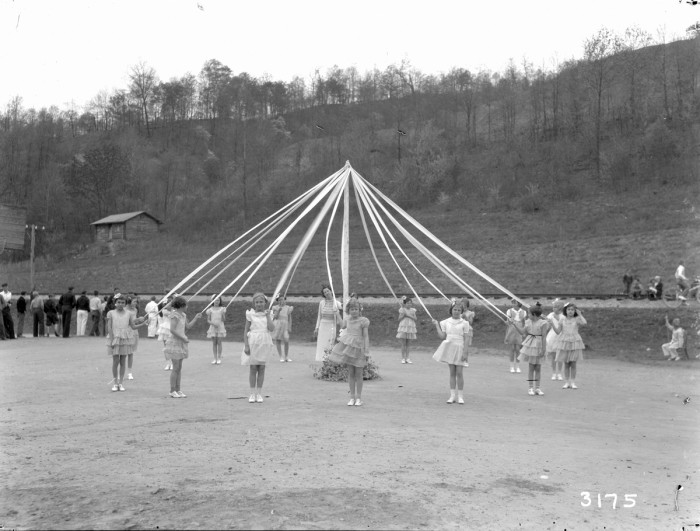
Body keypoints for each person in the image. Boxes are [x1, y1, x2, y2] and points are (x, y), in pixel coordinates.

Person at [328, 298, 370, 406]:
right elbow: (342, 326)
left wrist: (366, 350)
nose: (354, 311)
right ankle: (352, 397)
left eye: (356, 309)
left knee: (359, 374)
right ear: (348, 310)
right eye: (352, 309)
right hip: (349, 348)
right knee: (351, 373)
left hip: (359, 348)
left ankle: (359, 398)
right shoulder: (347, 319)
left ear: (360, 309)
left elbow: (365, 336)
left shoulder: (363, 321)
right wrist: (337, 314)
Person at [431, 299, 471, 404]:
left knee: (459, 372)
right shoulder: (445, 322)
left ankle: (460, 396)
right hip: (450, 348)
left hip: (460, 348)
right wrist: (436, 325)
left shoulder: (465, 323)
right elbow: (442, 336)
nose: (456, 311)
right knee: (452, 372)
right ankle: (452, 395)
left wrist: (465, 351)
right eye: (454, 309)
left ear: (461, 311)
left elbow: (467, 338)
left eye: (458, 310)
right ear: (451, 310)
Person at [164, 296, 201, 398]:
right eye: (186, 305)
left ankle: (178, 389)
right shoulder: (174, 315)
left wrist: (196, 318)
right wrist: (183, 338)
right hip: (174, 342)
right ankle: (172, 390)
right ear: (181, 305)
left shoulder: (183, 315)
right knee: (175, 367)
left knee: (179, 368)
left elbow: (188, 326)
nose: (187, 306)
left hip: (181, 342)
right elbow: (172, 330)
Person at [242, 293, 276, 403]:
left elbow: (271, 328)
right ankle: (252, 393)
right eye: (257, 302)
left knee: (261, 368)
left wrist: (267, 316)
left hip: (264, 342)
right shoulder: (250, 314)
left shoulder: (269, 314)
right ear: (254, 303)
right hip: (253, 341)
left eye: (261, 302)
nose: (259, 304)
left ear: (265, 303)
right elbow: (246, 330)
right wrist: (246, 345)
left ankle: (259, 394)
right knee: (253, 368)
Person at [513, 302, 550, 396]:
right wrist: (514, 324)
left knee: (538, 367)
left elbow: (544, 337)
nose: (527, 315)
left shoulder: (543, 323)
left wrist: (543, 349)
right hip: (530, 345)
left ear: (533, 314)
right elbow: (522, 332)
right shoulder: (528, 322)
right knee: (531, 367)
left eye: (529, 313)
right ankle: (530, 388)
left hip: (539, 345)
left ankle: (537, 388)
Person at [106, 295, 142, 392]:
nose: (120, 304)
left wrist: (143, 323)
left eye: (123, 302)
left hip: (125, 339)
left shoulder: (129, 313)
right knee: (115, 361)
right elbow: (109, 327)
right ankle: (115, 383)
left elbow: (133, 326)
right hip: (115, 338)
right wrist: (112, 339)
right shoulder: (111, 313)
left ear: (125, 303)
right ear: (115, 303)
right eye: (119, 302)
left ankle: (121, 383)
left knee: (122, 361)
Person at [550, 302, 587, 389]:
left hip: (574, 342)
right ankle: (566, 382)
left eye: (572, 310)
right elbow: (558, 332)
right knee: (566, 363)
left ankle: (573, 382)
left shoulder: (577, 319)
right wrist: (552, 324)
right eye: (568, 309)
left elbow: (584, 323)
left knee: (573, 363)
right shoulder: (562, 319)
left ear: (575, 311)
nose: (570, 311)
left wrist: (580, 314)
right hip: (564, 342)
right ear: (565, 311)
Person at [313, 284, 343, 362]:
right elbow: (319, 316)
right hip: (323, 326)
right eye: (325, 292)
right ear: (323, 294)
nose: (326, 293)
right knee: (322, 343)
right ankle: (321, 359)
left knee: (330, 343)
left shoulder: (336, 302)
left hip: (331, 326)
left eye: (327, 291)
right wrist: (317, 328)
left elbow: (343, 307)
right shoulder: (322, 303)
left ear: (331, 291)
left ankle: (329, 359)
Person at [125, 296, 148, 380]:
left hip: (134, 332)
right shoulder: (124, 310)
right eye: (134, 302)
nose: (136, 303)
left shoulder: (135, 310)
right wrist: (138, 319)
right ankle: (122, 371)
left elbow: (134, 322)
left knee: (131, 353)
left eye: (136, 302)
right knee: (123, 353)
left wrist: (140, 320)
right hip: (126, 332)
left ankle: (129, 372)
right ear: (129, 302)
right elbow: (127, 322)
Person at [504, 299, 526, 373]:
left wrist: (524, 332)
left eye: (515, 303)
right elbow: (508, 322)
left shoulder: (523, 312)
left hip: (519, 330)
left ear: (519, 303)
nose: (513, 304)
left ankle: (517, 366)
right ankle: (511, 366)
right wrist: (508, 321)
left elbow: (524, 323)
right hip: (512, 329)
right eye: (512, 303)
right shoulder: (509, 311)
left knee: (518, 349)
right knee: (512, 348)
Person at [545, 299, 565, 380]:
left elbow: (563, 326)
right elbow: (547, 327)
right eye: (553, 307)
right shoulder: (550, 315)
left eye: (555, 307)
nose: (553, 309)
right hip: (552, 336)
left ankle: (559, 373)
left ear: (560, 308)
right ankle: (554, 373)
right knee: (553, 356)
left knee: (559, 356)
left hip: (561, 336)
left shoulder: (563, 316)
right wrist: (547, 322)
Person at [271, 294, 293, 362]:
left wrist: (289, 326)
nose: (281, 301)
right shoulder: (275, 307)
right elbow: (275, 317)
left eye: (283, 299)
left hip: (285, 325)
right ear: (277, 301)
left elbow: (289, 318)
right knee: (278, 340)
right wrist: (278, 311)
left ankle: (286, 356)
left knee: (286, 340)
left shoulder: (288, 308)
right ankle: (281, 356)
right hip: (278, 324)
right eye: (280, 300)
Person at [206, 295, 227, 364]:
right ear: (212, 301)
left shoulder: (222, 309)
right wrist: (213, 324)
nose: (216, 301)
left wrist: (223, 314)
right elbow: (208, 320)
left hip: (220, 327)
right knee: (214, 343)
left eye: (218, 300)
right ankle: (215, 358)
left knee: (219, 342)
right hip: (213, 327)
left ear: (220, 301)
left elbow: (224, 320)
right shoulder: (210, 310)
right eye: (215, 300)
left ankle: (219, 358)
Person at [396, 295, 417, 364]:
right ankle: (403, 358)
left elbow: (415, 319)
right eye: (408, 303)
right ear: (404, 304)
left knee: (408, 344)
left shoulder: (413, 310)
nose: (409, 304)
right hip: (403, 327)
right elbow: (399, 319)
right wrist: (403, 315)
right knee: (403, 344)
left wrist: (408, 315)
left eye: (410, 303)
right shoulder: (402, 310)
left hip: (410, 328)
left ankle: (407, 358)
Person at [158, 296, 173, 370]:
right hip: (165, 329)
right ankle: (168, 363)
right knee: (166, 347)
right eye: (167, 304)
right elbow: (170, 315)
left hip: (172, 329)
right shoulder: (165, 311)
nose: (168, 305)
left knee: (172, 346)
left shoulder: (174, 311)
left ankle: (172, 363)